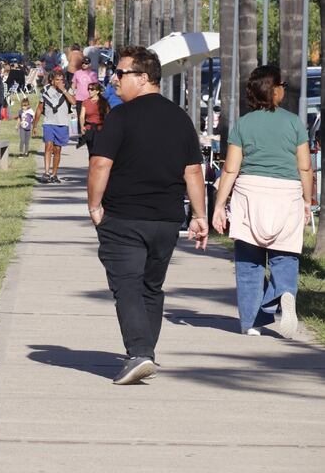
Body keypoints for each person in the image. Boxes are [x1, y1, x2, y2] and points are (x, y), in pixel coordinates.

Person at [87, 46, 207, 385]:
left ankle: (139, 353)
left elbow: (99, 164)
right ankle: (144, 354)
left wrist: (94, 206)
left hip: (124, 217)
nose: (114, 79)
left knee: (127, 286)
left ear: (142, 78)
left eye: (121, 73)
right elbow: (193, 173)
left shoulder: (121, 117)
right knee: (151, 288)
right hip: (167, 221)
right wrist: (199, 215)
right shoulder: (180, 118)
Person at [211, 65, 311, 338]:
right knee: (285, 255)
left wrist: (220, 206)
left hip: (250, 192)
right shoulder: (294, 122)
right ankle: (284, 293)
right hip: (287, 192)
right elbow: (304, 168)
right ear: (275, 89)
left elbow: (231, 169)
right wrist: (306, 200)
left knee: (249, 260)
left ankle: (250, 323)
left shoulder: (244, 124)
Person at [37, 70, 75, 183]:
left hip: (62, 123)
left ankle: (54, 174)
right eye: (57, 80)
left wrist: (63, 90)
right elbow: (39, 108)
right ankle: (46, 172)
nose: (59, 82)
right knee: (48, 146)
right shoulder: (45, 91)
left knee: (57, 150)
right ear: (51, 80)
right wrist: (34, 125)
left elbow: (73, 102)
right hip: (49, 123)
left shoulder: (67, 90)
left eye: (61, 80)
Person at [79, 83, 110, 152]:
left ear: (97, 91)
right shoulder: (85, 102)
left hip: (100, 129)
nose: (90, 91)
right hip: (89, 129)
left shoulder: (104, 102)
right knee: (91, 151)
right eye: (88, 89)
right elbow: (82, 116)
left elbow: (108, 116)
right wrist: (82, 127)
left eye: (92, 89)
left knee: (99, 151)